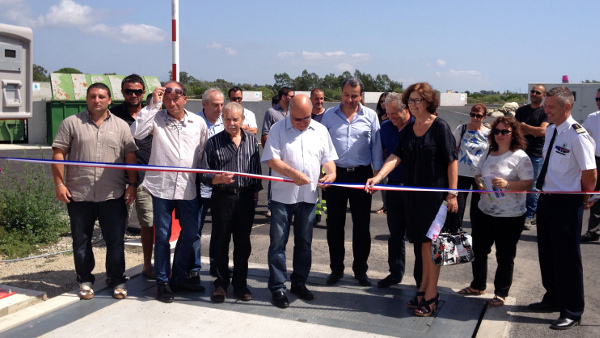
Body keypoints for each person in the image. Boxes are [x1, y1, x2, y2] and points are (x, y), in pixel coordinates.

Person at [365, 82, 458, 317]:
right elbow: (396, 156)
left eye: (417, 100)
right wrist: (378, 177)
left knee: (432, 247)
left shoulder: (440, 127)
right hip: (413, 198)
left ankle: (431, 295)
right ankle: (424, 289)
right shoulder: (409, 129)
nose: (413, 105)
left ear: (428, 101)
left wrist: (452, 193)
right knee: (422, 245)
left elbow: (451, 161)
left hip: (435, 199)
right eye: (411, 101)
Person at [51, 83, 138, 300]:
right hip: (79, 194)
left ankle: (117, 280)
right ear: (87, 99)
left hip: (113, 194)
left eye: (101, 96)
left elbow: (130, 157)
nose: (96, 100)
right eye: (92, 96)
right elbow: (59, 154)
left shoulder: (120, 126)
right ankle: (85, 280)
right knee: (81, 240)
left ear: (110, 100)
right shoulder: (71, 123)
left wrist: (133, 184)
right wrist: (59, 184)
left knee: (116, 240)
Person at [131, 82, 209, 303]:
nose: (171, 103)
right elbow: (136, 133)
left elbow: (202, 152)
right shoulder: (155, 118)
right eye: (167, 99)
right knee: (163, 236)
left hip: (187, 188)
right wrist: (153, 105)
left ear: (185, 98)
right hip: (161, 187)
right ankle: (163, 281)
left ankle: (179, 276)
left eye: (176, 99)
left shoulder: (198, 123)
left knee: (191, 233)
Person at [528, 87, 596, 330]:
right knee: (547, 254)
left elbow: (590, 173)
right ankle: (553, 299)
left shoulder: (578, 135)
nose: (546, 111)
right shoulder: (552, 131)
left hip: (567, 202)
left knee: (567, 259)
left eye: (551, 107)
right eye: (545, 106)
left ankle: (572, 310)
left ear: (567, 107)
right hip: (546, 199)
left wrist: (584, 198)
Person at [262, 94, 337, 308]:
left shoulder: (320, 130)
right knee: (278, 243)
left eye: (307, 118)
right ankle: (277, 287)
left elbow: (329, 159)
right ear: (289, 113)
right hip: (282, 197)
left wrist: (331, 174)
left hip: (308, 197)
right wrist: (292, 173)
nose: (303, 123)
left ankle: (299, 282)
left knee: (304, 243)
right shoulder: (278, 129)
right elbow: (272, 160)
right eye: (298, 119)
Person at [457, 116, 533, 307]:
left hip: (510, 215)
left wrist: (508, 184)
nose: (500, 135)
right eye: (497, 131)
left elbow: (528, 183)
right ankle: (478, 285)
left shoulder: (520, 156)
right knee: (479, 250)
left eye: (504, 132)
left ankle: (501, 292)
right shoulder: (488, 152)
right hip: (485, 210)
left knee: (505, 256)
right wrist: (480, 182)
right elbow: (477, 173)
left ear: (513, 134)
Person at [321, 77, 383, 287]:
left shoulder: (370, 116)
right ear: (341, 93)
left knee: (361, 226)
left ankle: (360, 270)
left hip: (361, 175)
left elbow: (376, 146)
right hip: (335, 175)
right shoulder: (329, 115)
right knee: (334, 225)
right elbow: (321, 145)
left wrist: (377, 175)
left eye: (354, 96)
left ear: (361, 96)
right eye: (346, 95)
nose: (349, 99)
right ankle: (336, 269)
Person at [199, 102, 263, 303]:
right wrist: (217, 179)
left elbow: (256, 172)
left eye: (236, 119)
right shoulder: (213, 142)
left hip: (245, 198)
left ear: (243, 120)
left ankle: (240, 284)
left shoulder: (252, 141)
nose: (232, 123)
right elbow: (203, 173)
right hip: (222, 198)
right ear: (222, 119)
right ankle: (220, 284)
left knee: (243, 243)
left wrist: (255, 195)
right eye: (227, 119)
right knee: (220, 241)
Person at [111, 74, 156, 280]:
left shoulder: (153, 114)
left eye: (138, 91)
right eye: (129, 91)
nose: (134, 95)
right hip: (121, 178)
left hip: (147, 177)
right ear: (122, 92)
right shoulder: (113, 115)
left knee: (148, 223)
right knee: (117, 225)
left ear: (143, 93)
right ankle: (116, 271)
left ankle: (147, 265)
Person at [376, 92, 419, 289]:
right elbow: (385, 154)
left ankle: (422, 280)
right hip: (394, 186)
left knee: (420, 237)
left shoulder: (419, 127)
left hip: (416, 190)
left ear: (406, 109)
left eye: (395, 114)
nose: (391, 118)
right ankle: (395, 273)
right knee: (395, 234)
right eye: (388, 114)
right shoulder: (385, 128)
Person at [193, 88, 224, 277]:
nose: (219, 109)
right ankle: (194, 268)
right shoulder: (194, 123)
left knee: (220, 230)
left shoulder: (226, 124)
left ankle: (216, 265)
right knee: (195, 229)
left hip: (220, 186)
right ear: (204, 104)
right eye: (215, 105)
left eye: (222, 104)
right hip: (198, 185)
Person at [447, 104, 490, 231]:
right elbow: (453, 149)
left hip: (479, 174)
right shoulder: (462, 129)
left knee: (477, 208)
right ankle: (454, 232)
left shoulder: (489, 133)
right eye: (472, 115)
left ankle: (477, 235)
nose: (475, 118)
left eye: (478, 115)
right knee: (458, 206)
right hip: (461, 172)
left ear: (484, 117)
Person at [515, 84, 548, 229]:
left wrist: (524, 126)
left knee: (533, 187)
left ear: (543, 95)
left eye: (538, 92)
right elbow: (515, 131)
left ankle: (529, 216)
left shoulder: (545, 112)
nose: (534, 94)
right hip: (519, 153)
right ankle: (518, 213)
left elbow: (542, 131)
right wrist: (530, 130)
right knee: (517, 183)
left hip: (536, 155)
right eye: (532, 91)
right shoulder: (522, 111)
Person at [261, 87, 294, 218]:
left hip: (290, 154)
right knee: (274, 180)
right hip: (276, 155)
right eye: (291, 96)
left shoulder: (293, 112)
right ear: (283, 97)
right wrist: (270, 153)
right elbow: (265, 134)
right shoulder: (271, 112)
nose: (293, 98)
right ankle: (271, 206)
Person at [580, 88, 600, 242]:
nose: (598, 102)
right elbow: (581, 137)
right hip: (597, 161)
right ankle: (593, 231)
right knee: (596, 198)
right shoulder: (592, 118)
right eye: (597, 99)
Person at [310, 88, 327, 224]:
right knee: (313, 188)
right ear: (311, 99)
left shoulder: (328, 116)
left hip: (325, 160)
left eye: (321, 98)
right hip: (312, 158)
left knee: (326, 189)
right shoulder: (307, 117)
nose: (319, 101)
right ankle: (316, 213)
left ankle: (328, 215)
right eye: (316, 99)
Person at [375, 92, 390, 215]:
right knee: (383, 180)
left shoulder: (394, 116)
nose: (383, 103)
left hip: (392, 153)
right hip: (381, 153)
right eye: (381, 101)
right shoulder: (378, 117)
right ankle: (385, 205)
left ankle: (390, 205)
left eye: (385, 101)